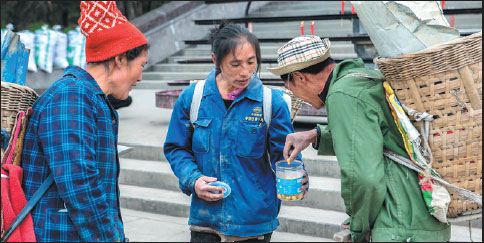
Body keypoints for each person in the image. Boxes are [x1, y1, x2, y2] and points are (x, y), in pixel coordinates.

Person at [267, 35, 451, 242]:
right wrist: (315, 135)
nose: (301, 99)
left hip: (399, 222)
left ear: (300, 77)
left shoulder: (342, 95)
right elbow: (377, 131)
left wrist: (358, 226)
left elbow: (364, 178)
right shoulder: (361, 79)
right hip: (423, 217)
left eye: (294, 90)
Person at [164, 23, 308, 242]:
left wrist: (297, 175)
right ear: (216, 60)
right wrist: (193, 179)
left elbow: (284, 155)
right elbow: (176, 148)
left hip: (253, 223)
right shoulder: (193, 98)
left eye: (251, 62)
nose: (245, 72)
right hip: (206, 222)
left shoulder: (271, 102)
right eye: (235, 64)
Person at [21, 1, 148, 241]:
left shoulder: (88, 97)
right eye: (141, 65)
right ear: (120, 59)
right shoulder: (72, 96)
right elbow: (80, 185)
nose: (140, 76)